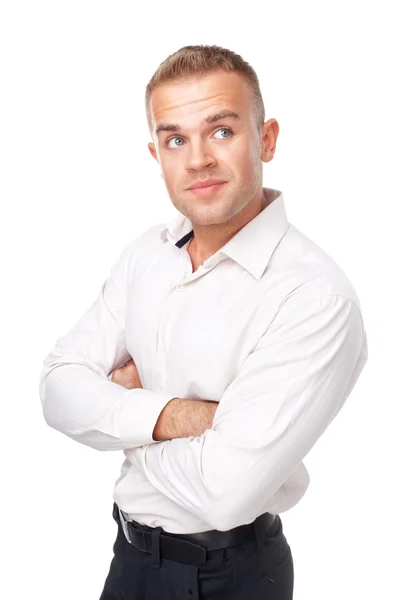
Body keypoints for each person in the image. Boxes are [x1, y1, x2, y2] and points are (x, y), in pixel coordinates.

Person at [39, 44, 368, 599]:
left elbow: (225, 492)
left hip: (229, 577)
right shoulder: (147, 254)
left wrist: (118, 415)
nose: (197, 159)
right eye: (175, 139)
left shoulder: (313, 297)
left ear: (266, 139)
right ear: (156, 154)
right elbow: (55, 389)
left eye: (221, 131)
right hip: (129, 561)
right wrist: (180, 416)